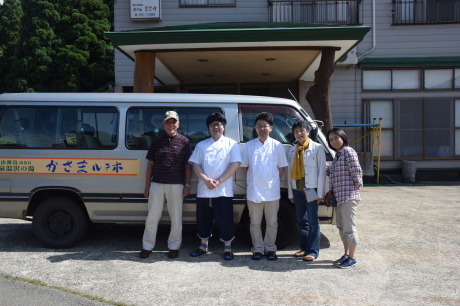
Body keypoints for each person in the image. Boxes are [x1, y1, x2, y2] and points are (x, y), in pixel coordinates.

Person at [188, 112, 241, 261]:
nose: (216, 127)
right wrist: (205, 180)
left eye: (218, 124)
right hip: (204, 189)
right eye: (213, 125)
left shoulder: (231, 144)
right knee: (203, 219)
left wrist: (219, 181)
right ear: (208, 128)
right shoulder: (201, 145)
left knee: (225, 219)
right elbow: (195, 164)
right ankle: (203, 245)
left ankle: (227, 247)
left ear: (223, 127)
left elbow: (235, 164)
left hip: (223, 190)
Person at [140, 111, 192, 259]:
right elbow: (150, 165)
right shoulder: (156, 141)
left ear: (178, 124)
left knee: (176, 217)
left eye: (173, 122)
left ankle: (174, 247)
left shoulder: (184, 141)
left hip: (176, 185)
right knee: (152, 217)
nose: (171, 125)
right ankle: (147, 246)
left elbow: (188, 166)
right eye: (168, 122)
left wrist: (187, 185)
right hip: (157, 184)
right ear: (163, 124)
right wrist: (147, 186)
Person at [241, 112, 288, 261]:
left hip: (272, 190)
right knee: (254, 222)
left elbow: (282, 168)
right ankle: (257, 249)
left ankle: (270, 248)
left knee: (272, 222)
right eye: (259, 126)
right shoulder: (248, 146)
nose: (262, 128)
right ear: (255, 128)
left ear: (271, 128)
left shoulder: (277, 146)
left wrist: (273, 182)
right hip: (254, 190)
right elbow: (244, 167)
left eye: (265, 126)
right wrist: (252, 181)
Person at [287, 121, 326, 261]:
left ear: (308, 132)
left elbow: (322, 171)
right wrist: (290, 193)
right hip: (297, 190)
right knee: (301, 220)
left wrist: (321, 193)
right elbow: (289, 173)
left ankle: (313, 251)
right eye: (296, 131)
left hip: (311, 189)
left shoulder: (317, 148)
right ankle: (303, 248)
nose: (298, 134)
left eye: (301, 131)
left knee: (313, 220)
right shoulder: (292, 150)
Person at [326, 127, 363, 269]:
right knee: (342, 228)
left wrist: (358, 185)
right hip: (340, 197)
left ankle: (352, 258)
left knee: (349, 228)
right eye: (331, 139)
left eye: (336, 138)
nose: (334, 141)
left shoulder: (348, 151)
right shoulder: (337, 155)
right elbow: (333, 173)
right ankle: (346, 254)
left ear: (343, 137)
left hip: (348, 196)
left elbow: (356, 169)